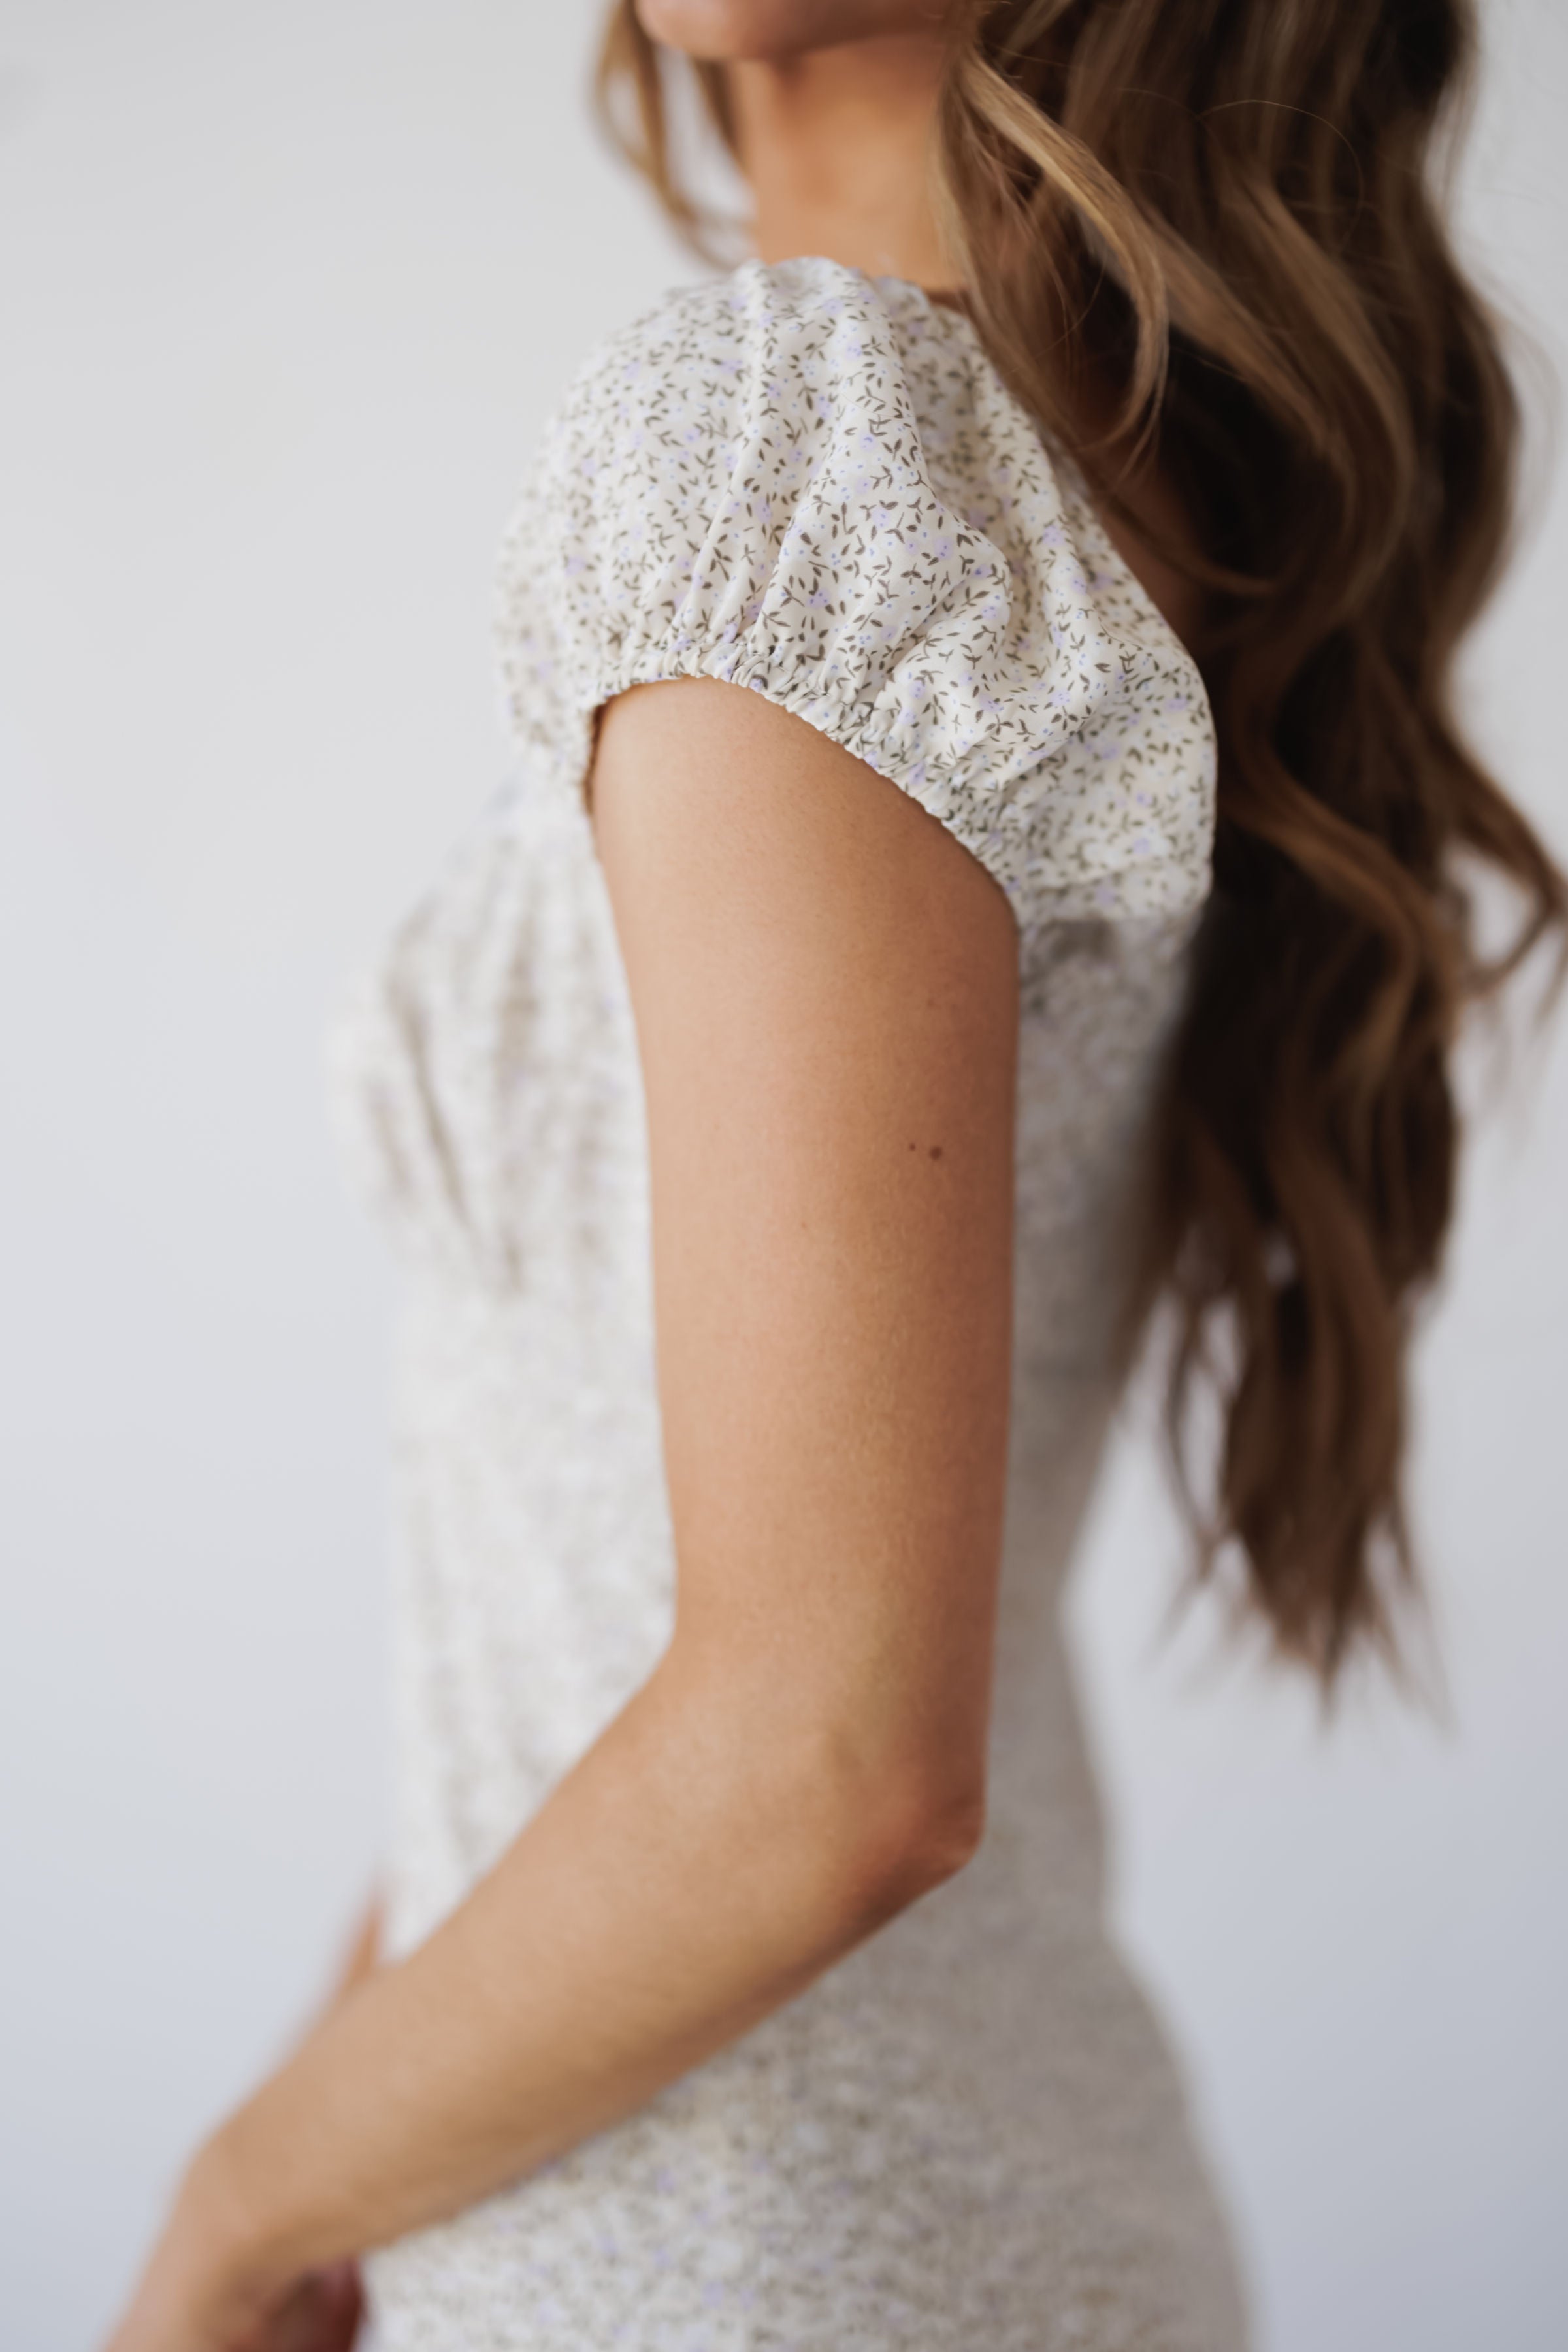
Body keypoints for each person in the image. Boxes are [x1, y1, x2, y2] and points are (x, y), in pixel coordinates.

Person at [104, 3, 1566, 2347]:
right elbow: (605, 1604)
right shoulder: (1099, 478)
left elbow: (827, 1758)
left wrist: (232, 2210)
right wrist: (340, 2115)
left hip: (720, 2271)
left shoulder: (794, 451)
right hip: (940, 2215)